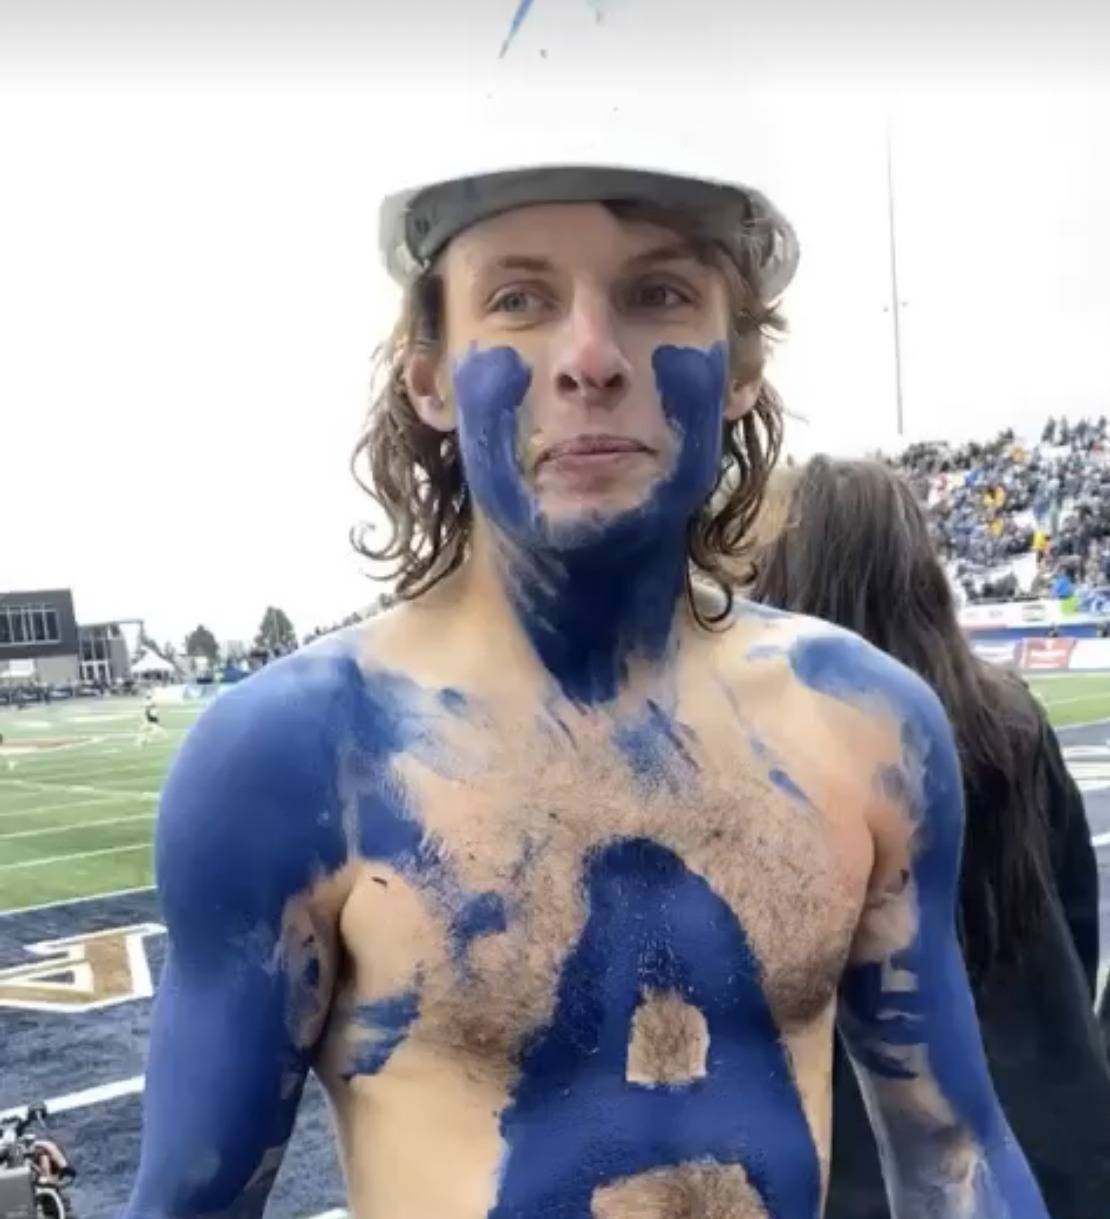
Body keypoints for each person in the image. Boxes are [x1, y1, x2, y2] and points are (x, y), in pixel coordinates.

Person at [125, 139, 1051, 1218]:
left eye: (659, 293)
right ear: (429, 374)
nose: (591, 356)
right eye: (520, 299)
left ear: (742, 363)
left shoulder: (868, 726)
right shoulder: (296, 760)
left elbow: (954, 1153)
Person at [749, 456, 1110, 1219]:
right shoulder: (1008, 722)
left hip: (870, 1168)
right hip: (1053, 1138)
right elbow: (1079, 925)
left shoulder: (765, 755)